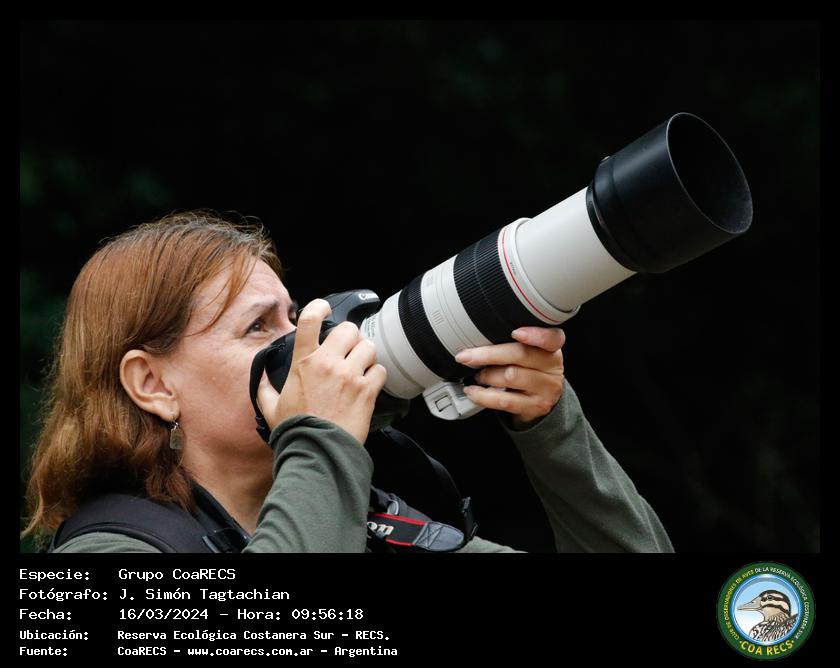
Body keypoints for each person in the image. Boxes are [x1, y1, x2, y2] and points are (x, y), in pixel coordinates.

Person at [22, 211, 674, 553]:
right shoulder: (108, 549)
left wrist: (551, 429)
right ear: (152, 383)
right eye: (258, 327)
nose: (306, 346)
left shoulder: (374, 526)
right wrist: (323, 440)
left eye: (294, 316)